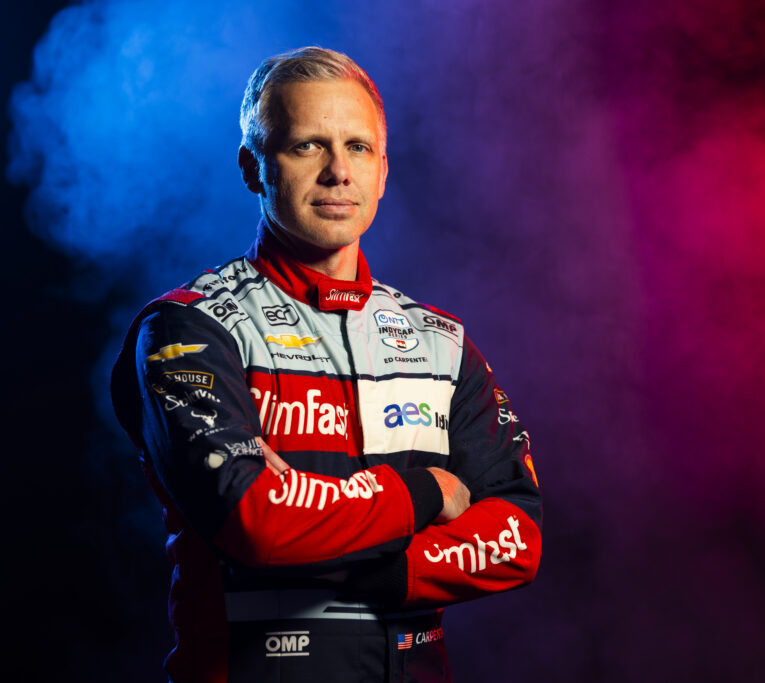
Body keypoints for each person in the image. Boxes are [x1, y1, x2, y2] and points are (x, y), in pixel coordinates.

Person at [110, 46, 542, 683]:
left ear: (383, 171)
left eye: (358, 147)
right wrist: (426, 492)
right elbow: (255, 520)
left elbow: (518, 534)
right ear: (253, 169)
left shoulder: (441, 342)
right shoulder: (188, 330)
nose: (339, 171)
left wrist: (385, 568)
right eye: (307, 145)